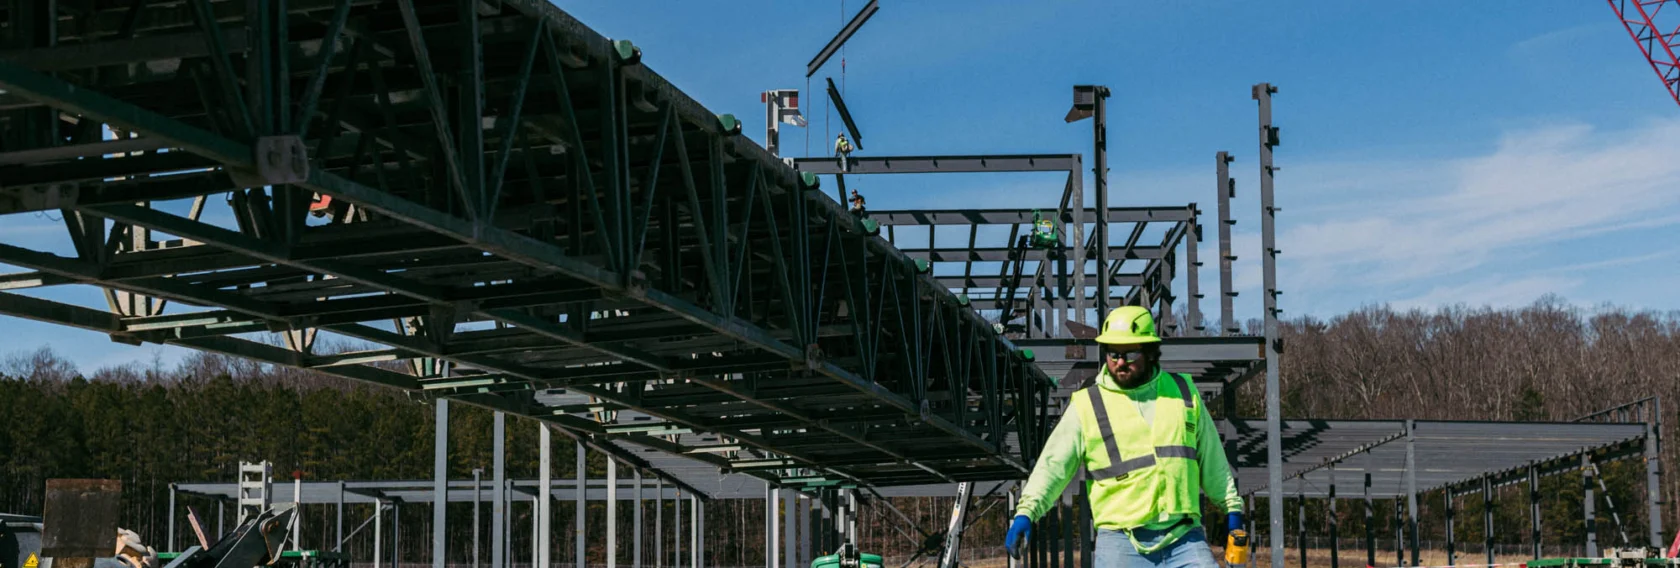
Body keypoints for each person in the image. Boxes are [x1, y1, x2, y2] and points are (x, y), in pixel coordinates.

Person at [1004, 305, 1244, 567]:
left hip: (1184, 537)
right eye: (1112, 353)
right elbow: (1053, 464)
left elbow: (1213, 460)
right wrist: (1026, 512)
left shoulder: (1184, 393)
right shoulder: (1087, 405)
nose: (1120, 362)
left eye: (1129, 353)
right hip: (1121, 541)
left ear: (1149, 352)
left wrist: (1232, 508)